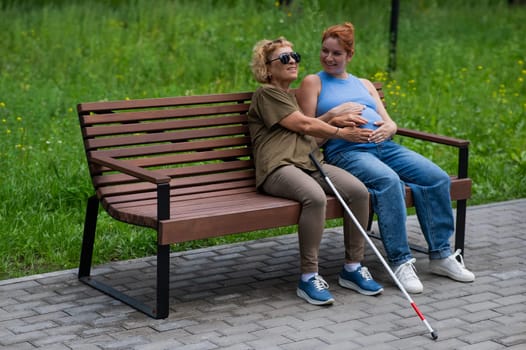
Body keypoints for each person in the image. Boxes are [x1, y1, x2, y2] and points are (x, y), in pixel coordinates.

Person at [296, 22, 475, 294]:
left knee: (435, 178)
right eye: (325, 51)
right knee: (388, 181)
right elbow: (307, 134)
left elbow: (388, 122)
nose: (329, 58)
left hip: (385, 147)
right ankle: (400, 262)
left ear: (350, 55)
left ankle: (440, 255)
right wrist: (335, 120)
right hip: (347, 151)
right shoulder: (313, 82)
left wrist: (390, 127)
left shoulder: (364, 83)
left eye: (336, 53)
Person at [248, 37, 383, 305]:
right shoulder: (266, 94)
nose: (293, 61)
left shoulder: (294, 97)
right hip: (279, 168)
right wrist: (339, 130)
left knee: (359, 192)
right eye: (284, 58)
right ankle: (309, 276)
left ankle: (353, 268)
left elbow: (306, 127)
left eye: (295, 56)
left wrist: (333, 119)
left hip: (309, 163)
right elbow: (306, 126)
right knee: (316, 198)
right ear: (267, 68)